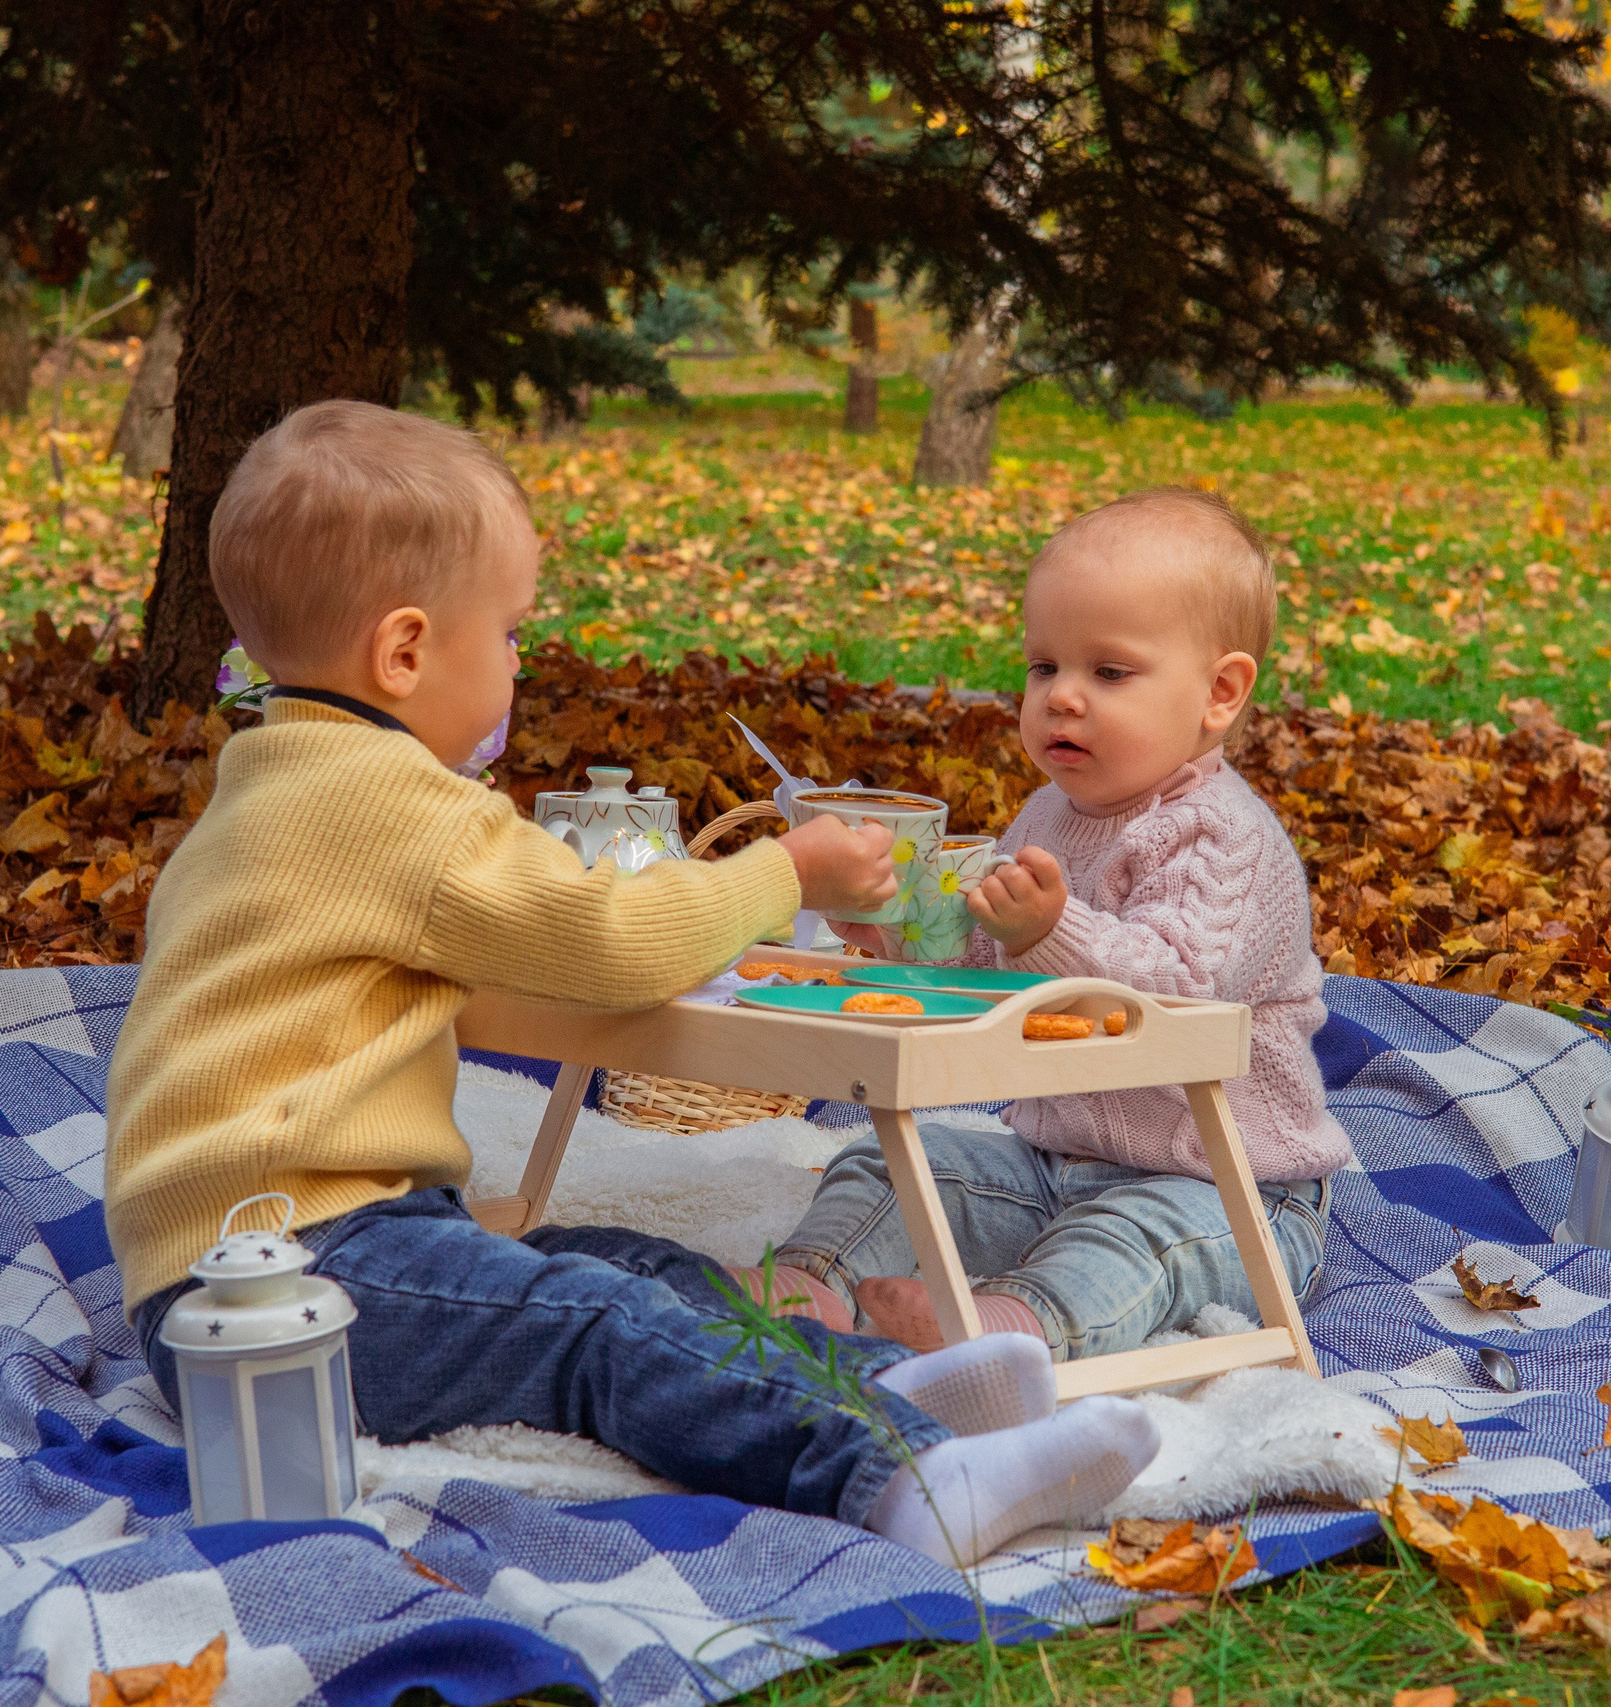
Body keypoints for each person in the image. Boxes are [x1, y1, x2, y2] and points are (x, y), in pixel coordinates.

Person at [106, 401, 1158, 1567]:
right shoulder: (391, 804)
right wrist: (784, 868)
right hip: (285, 1278)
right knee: (595, 1322)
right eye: (508, 636)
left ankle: (886, 1386)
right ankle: (902, 1478)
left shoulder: (266, 781)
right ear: (404, 652)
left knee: (626, 1263)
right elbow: (616, 939)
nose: (517, 663)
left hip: (251, 1257)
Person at [740, 487, 1349, 1361]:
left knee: (1131, 1244)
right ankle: (808, 1282)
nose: (1062, 696)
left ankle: (1011, 1328)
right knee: (885, 1166)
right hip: (1051, 1164)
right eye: (1042, 667)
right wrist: (906, 940)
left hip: (1222, 1184)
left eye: (1108, 672)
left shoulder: (1222, 835)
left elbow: (1177, 991)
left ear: (1218, 693)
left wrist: (1049, 931)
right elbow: (991, 955)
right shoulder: (1045, 815)